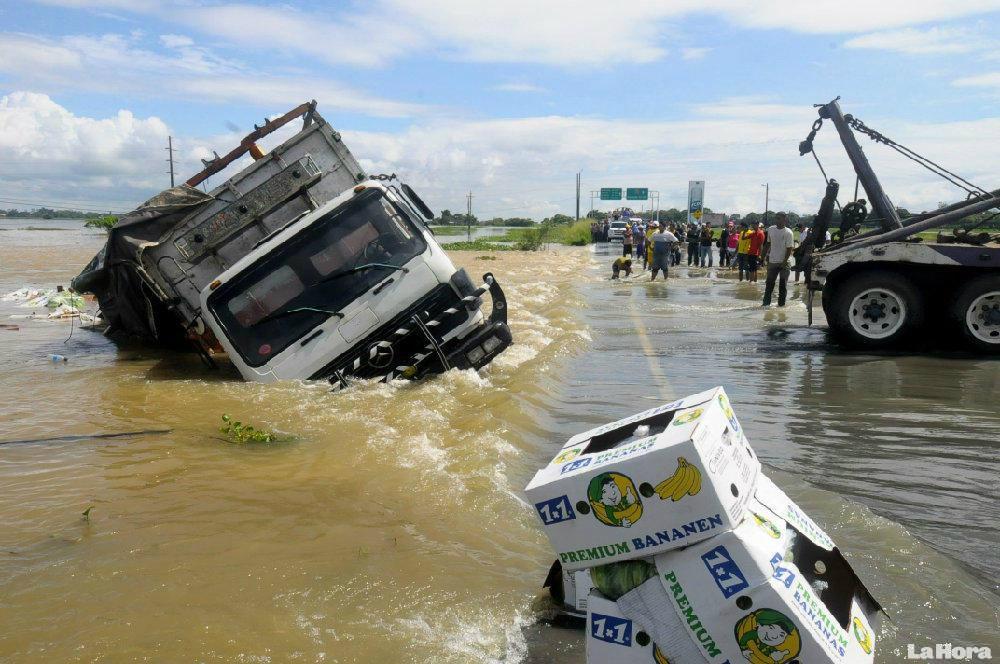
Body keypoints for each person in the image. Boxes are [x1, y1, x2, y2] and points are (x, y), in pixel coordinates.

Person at [761, 212, 795, 306]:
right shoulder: (771, 229)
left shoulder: (788, 232)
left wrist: (784, 262)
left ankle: (781, 306)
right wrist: (762, 258)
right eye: (776, 218)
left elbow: (789, 249)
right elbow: (767, 244)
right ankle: (765, 305)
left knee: (782, 285)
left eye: (779, 218)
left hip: (785, 262)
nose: (777, 220)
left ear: (785, 219)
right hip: (772, 261)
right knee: (769, 285)